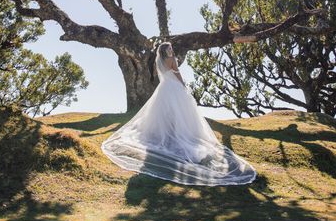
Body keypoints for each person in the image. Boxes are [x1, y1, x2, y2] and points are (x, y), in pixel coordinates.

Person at [101, 41, 257, 186]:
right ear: (165, 51)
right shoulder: (171, 60)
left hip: (164, 88)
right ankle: (178, 133)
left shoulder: (159, 62)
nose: (171, 50)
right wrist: (183, 86)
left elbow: (162, 75)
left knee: (164, 113)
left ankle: (167, 132)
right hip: (174, 87)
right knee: (181, 113)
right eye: (169, 48)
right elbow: (177, 74)